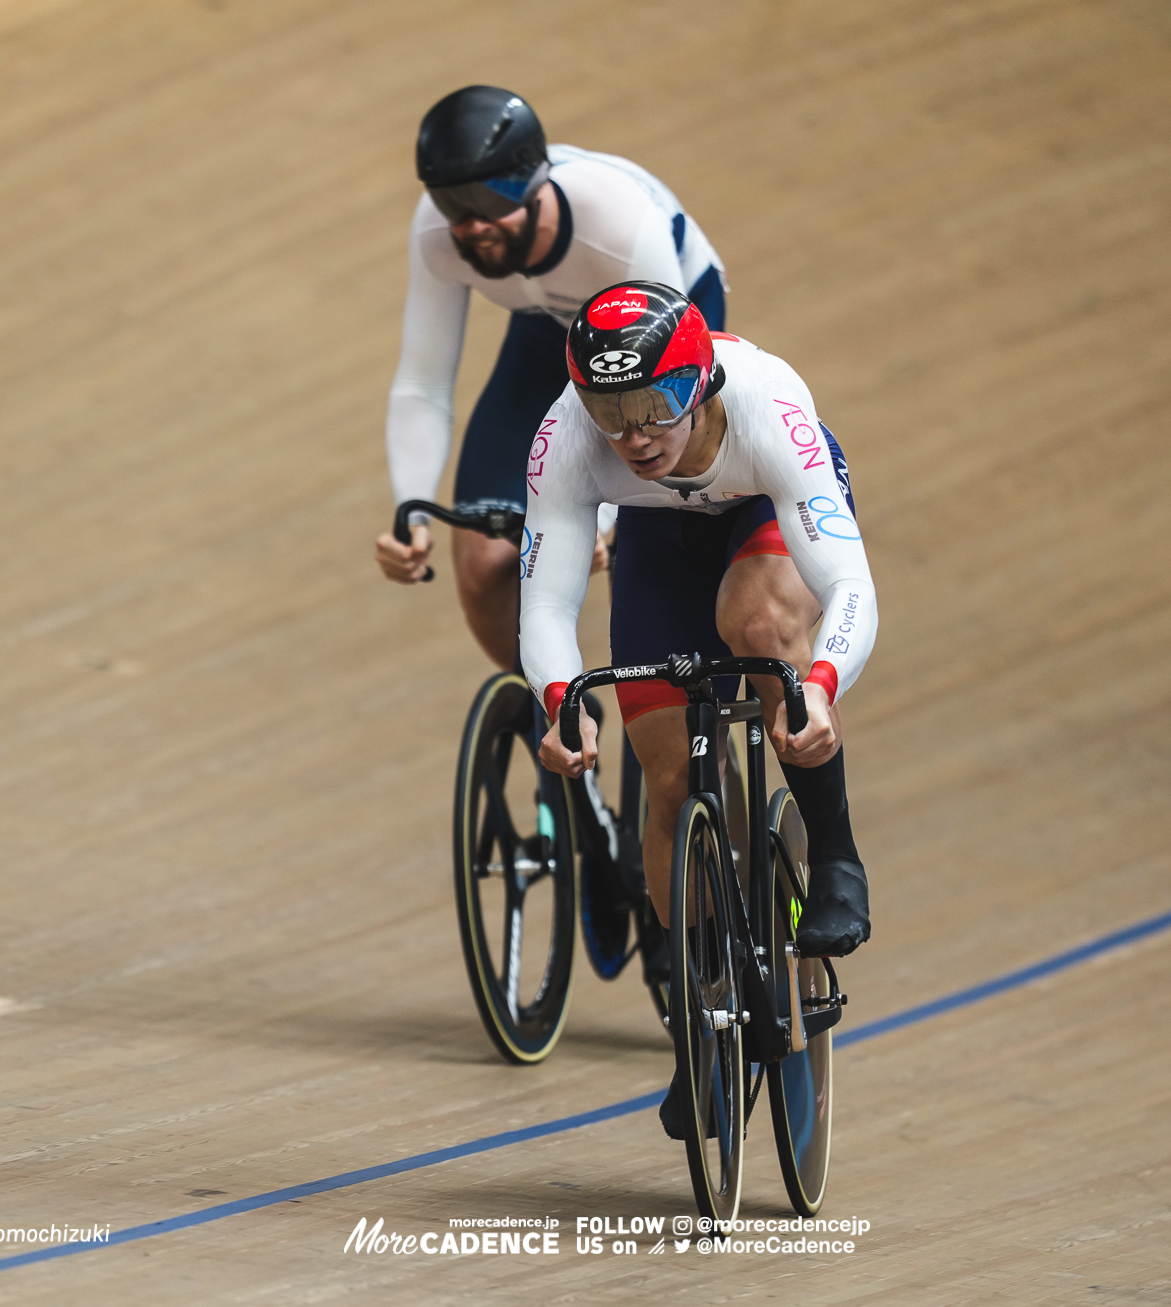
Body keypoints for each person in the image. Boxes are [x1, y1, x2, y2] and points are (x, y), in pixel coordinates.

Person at [518, 281, 876, 1139]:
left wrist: (819, 684)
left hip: (762, 518)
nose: (635, 433)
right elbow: (545, 607)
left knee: (754, 626)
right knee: (667, 776)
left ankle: (835, 856)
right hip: (658, 541)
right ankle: (693, 1033)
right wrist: (563, 702)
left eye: (657, 405)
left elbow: (849, 584)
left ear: (702, 382)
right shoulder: (567, 436)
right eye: (612, 410)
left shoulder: (767, 400)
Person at [372, 85, 727, 670]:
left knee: (639, 548)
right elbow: (423, 382)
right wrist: (410, 508)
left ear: (538, 183)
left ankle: (683, 724)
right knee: (485, 564)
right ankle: (558, 711)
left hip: (666, 338)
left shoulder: (616, 224)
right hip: (553, 336)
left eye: (494, 200)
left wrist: (608, 518)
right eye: (455, 203)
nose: (475, 224)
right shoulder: (438, 234)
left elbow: (667, 395)